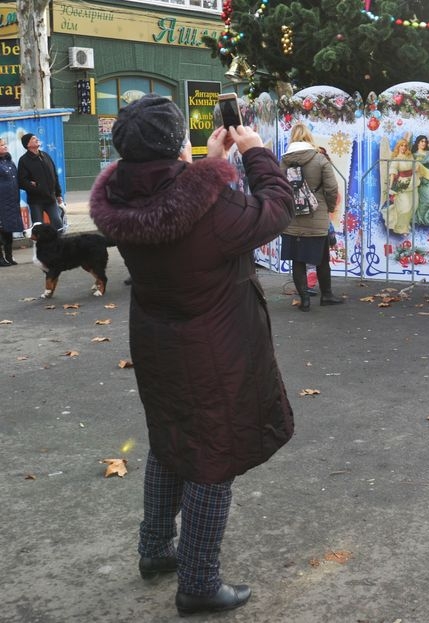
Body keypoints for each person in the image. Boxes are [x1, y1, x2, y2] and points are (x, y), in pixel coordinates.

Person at [89, 94, 295, 617]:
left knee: (169, 439)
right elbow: (276, 208)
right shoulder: (213, 204)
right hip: (213, 345)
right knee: (211, 456)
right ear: (175, 144)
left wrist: (210, 164)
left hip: (157, 340)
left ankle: (156, 549)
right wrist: (255, 153)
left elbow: (179, 202)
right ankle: (199, 582)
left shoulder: (119, 197)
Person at [280, 123, 342, 311]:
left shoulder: (283, 162)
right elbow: (331, 188)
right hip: (317, 215)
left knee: (297, 260)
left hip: (292, 217)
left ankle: (305, 299)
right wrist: (328, 208)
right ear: (309, 138)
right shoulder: (319, 159)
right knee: (322, 258)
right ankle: (327, 295)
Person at [17, 133, 64, 230]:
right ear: (28, 144)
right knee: (39, 228)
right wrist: (35, 186)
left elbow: (54, 176)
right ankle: (41, 245)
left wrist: (58, 194)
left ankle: (58, 244)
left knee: (58, 224)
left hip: (50, 198)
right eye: (33, 138)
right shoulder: (23, 160)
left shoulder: (46, 156)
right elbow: (22, 181)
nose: (37, 139)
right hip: (36, 201)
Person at [383, 137, 417, 234]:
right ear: (398, 147)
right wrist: (391, 186)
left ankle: (405, 226)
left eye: (405, 146)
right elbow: (393, 172)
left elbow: (415, 167)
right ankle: (399, 227)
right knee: (404, 207)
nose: (403, 147)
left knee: (412, 206)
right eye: (401, 145)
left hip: (413, 182)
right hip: (402, 184)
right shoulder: (396, 159)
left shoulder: (410, 157)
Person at [0, 138, 23, 266]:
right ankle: (0, 258)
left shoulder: (9, 161)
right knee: (1, 230)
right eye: (2, 145)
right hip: (1, 202)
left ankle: (9, 256)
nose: (5, 146)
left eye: (5, 144)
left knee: (9, 230)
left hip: (12, 201)